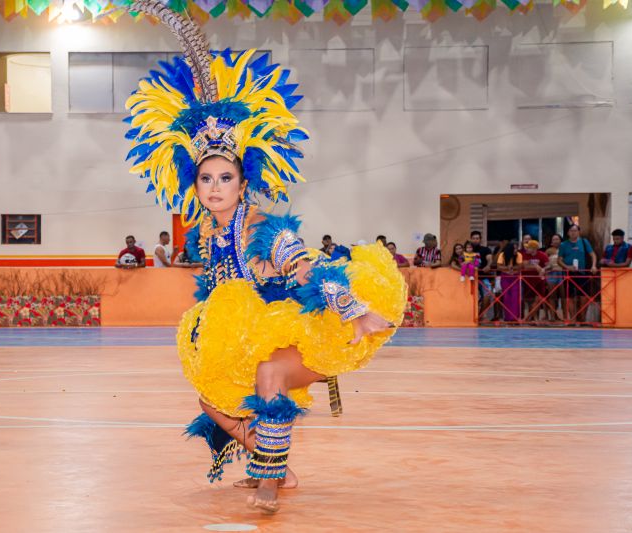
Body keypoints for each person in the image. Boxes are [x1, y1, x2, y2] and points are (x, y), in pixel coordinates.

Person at [124, 5, 406, 515]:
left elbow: (302, 265)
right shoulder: (211, 232)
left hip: (308, 329)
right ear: (195, 184)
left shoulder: (255, 226)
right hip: (258, 335)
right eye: (206, 179)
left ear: (242, 182)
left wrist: (352, 310)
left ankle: (272, 481)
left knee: (269, 375)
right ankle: (275, 464)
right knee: (211, 400)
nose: (215, 187)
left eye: (225, 178)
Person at [557, 224, 597, 322]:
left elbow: (592, 255)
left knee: (584, 296)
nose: (573, 233)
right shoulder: (563, 245)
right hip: (568, 274)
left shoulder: (584, 242)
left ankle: (582, 319)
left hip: (583, 273)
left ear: (579, 232)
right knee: (570, 297)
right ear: (568, 232)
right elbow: (559, 260)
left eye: (575, 231)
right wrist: (567, 267)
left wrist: (593, 266)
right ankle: (573, 319)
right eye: (571, 231)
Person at [520, 240, 549, 322]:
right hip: (527, 280)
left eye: (528, 247)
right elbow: (525, 266)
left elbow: (549, 265)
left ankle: (529, 318)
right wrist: (536, 266)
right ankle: (531, 318)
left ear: (534, 249)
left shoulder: (542, 255)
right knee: (529, 300)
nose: (526, 249)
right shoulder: (524, 255)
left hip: (539, 280)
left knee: (538, 300)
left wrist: (543, 269)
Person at [469, 231, 494, 317]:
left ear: (480, 239)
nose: (475, 240)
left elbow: (489, 259)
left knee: (487, 295)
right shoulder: (467, 249)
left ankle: (480, 316)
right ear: (471, 239)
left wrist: (488, 265)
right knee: (471, 298)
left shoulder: (485, 249)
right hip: (471, 278)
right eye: (473, 238)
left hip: (483, 277)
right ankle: (472, 316)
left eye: (477, 238)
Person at [495, 242, 522, 321]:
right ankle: (507, 317)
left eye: (516, 248)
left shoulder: (519, 255)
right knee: (506, 297)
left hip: (515, 277)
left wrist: (512, 268)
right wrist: (508, 268)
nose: (516, 250)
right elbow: (499, 267)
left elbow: (520, 266)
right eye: (514, 248)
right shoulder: (502, 255)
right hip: (505, 277)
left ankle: (515, 317)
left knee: (515, 297)